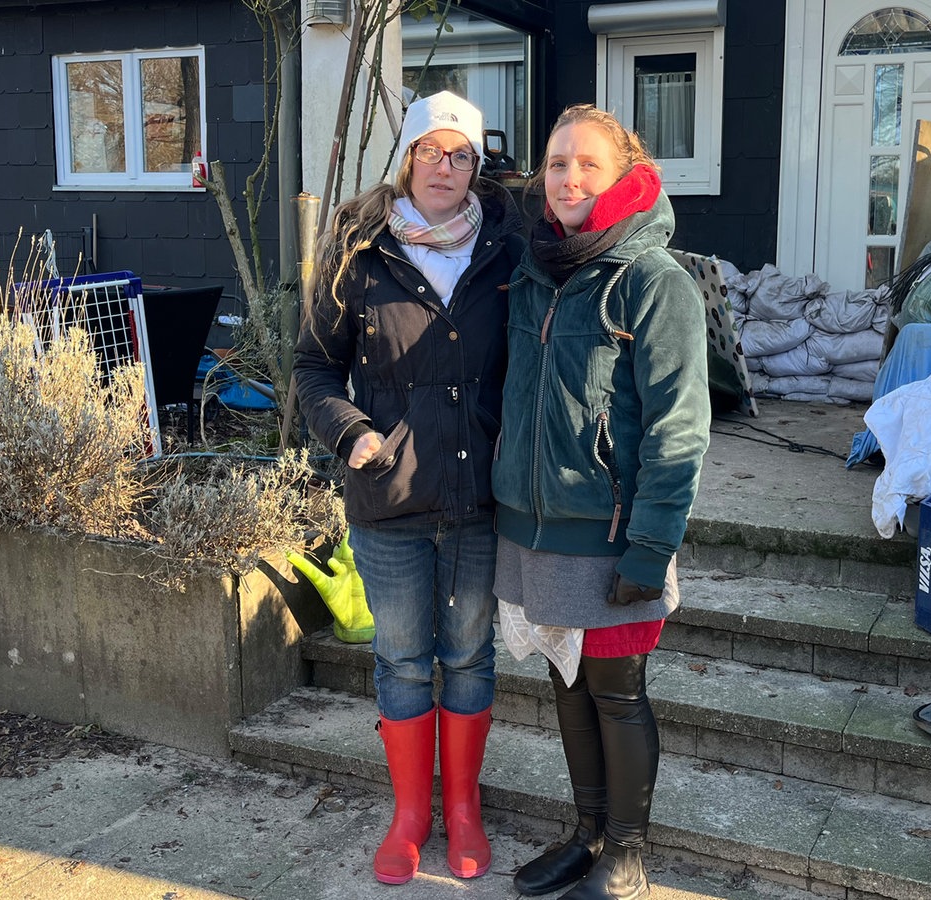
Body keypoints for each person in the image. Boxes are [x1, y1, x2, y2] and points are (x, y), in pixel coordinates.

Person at [293, 90, 525, 885]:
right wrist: (349, 430)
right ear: (409, 160)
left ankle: (461, 810)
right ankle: (411, 815)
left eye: (462, 155)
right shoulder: (359, 253)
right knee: (400, 661)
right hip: (389, 499)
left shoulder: (503, 249)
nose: (447, 168)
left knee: (468, 657)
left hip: (480, 499)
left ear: (475, 166)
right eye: (433, 152)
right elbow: (314, 368)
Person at [493, 104, 711, 900]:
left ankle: (627, 851)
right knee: (565, 679)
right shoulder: (531, 270)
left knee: (617, 693)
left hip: (615, 534)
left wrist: (652, 545)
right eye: (556, 163)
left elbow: (680, 430)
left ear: (625, 173)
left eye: (588, 163)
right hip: (534, 530)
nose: (569, 178)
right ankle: (586, 833)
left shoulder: (655, 283)